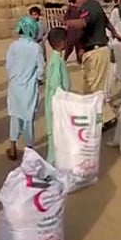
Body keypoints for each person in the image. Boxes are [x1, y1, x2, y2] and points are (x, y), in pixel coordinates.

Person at [64, 0, 119, 94]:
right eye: (70, 2)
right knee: (89, 89)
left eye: (73, 1)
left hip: (96, 52)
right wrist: (114, 33)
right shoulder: (85, 8)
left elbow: (83, 23)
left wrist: (66, 22)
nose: (72, 4)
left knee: (93, 93)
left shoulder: (91, 7)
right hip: (90, 52)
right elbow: (106, 21)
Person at [6, 16, 44, 160]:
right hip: (29, 88)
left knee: (15, 117)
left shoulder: (13, 46)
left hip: (15, 87)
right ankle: (29, 149)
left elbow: (9, 66)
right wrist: (39, 79)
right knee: (28, 118)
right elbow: (40, 68)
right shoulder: (36, 48)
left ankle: (13, 147)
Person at [44, 27, 71, 165]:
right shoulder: (55, 62)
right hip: (56, 107)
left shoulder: (57, 59)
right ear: (62, 42)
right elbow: (56, 86)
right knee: (55, 143)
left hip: (59, 106)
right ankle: (50, 170)